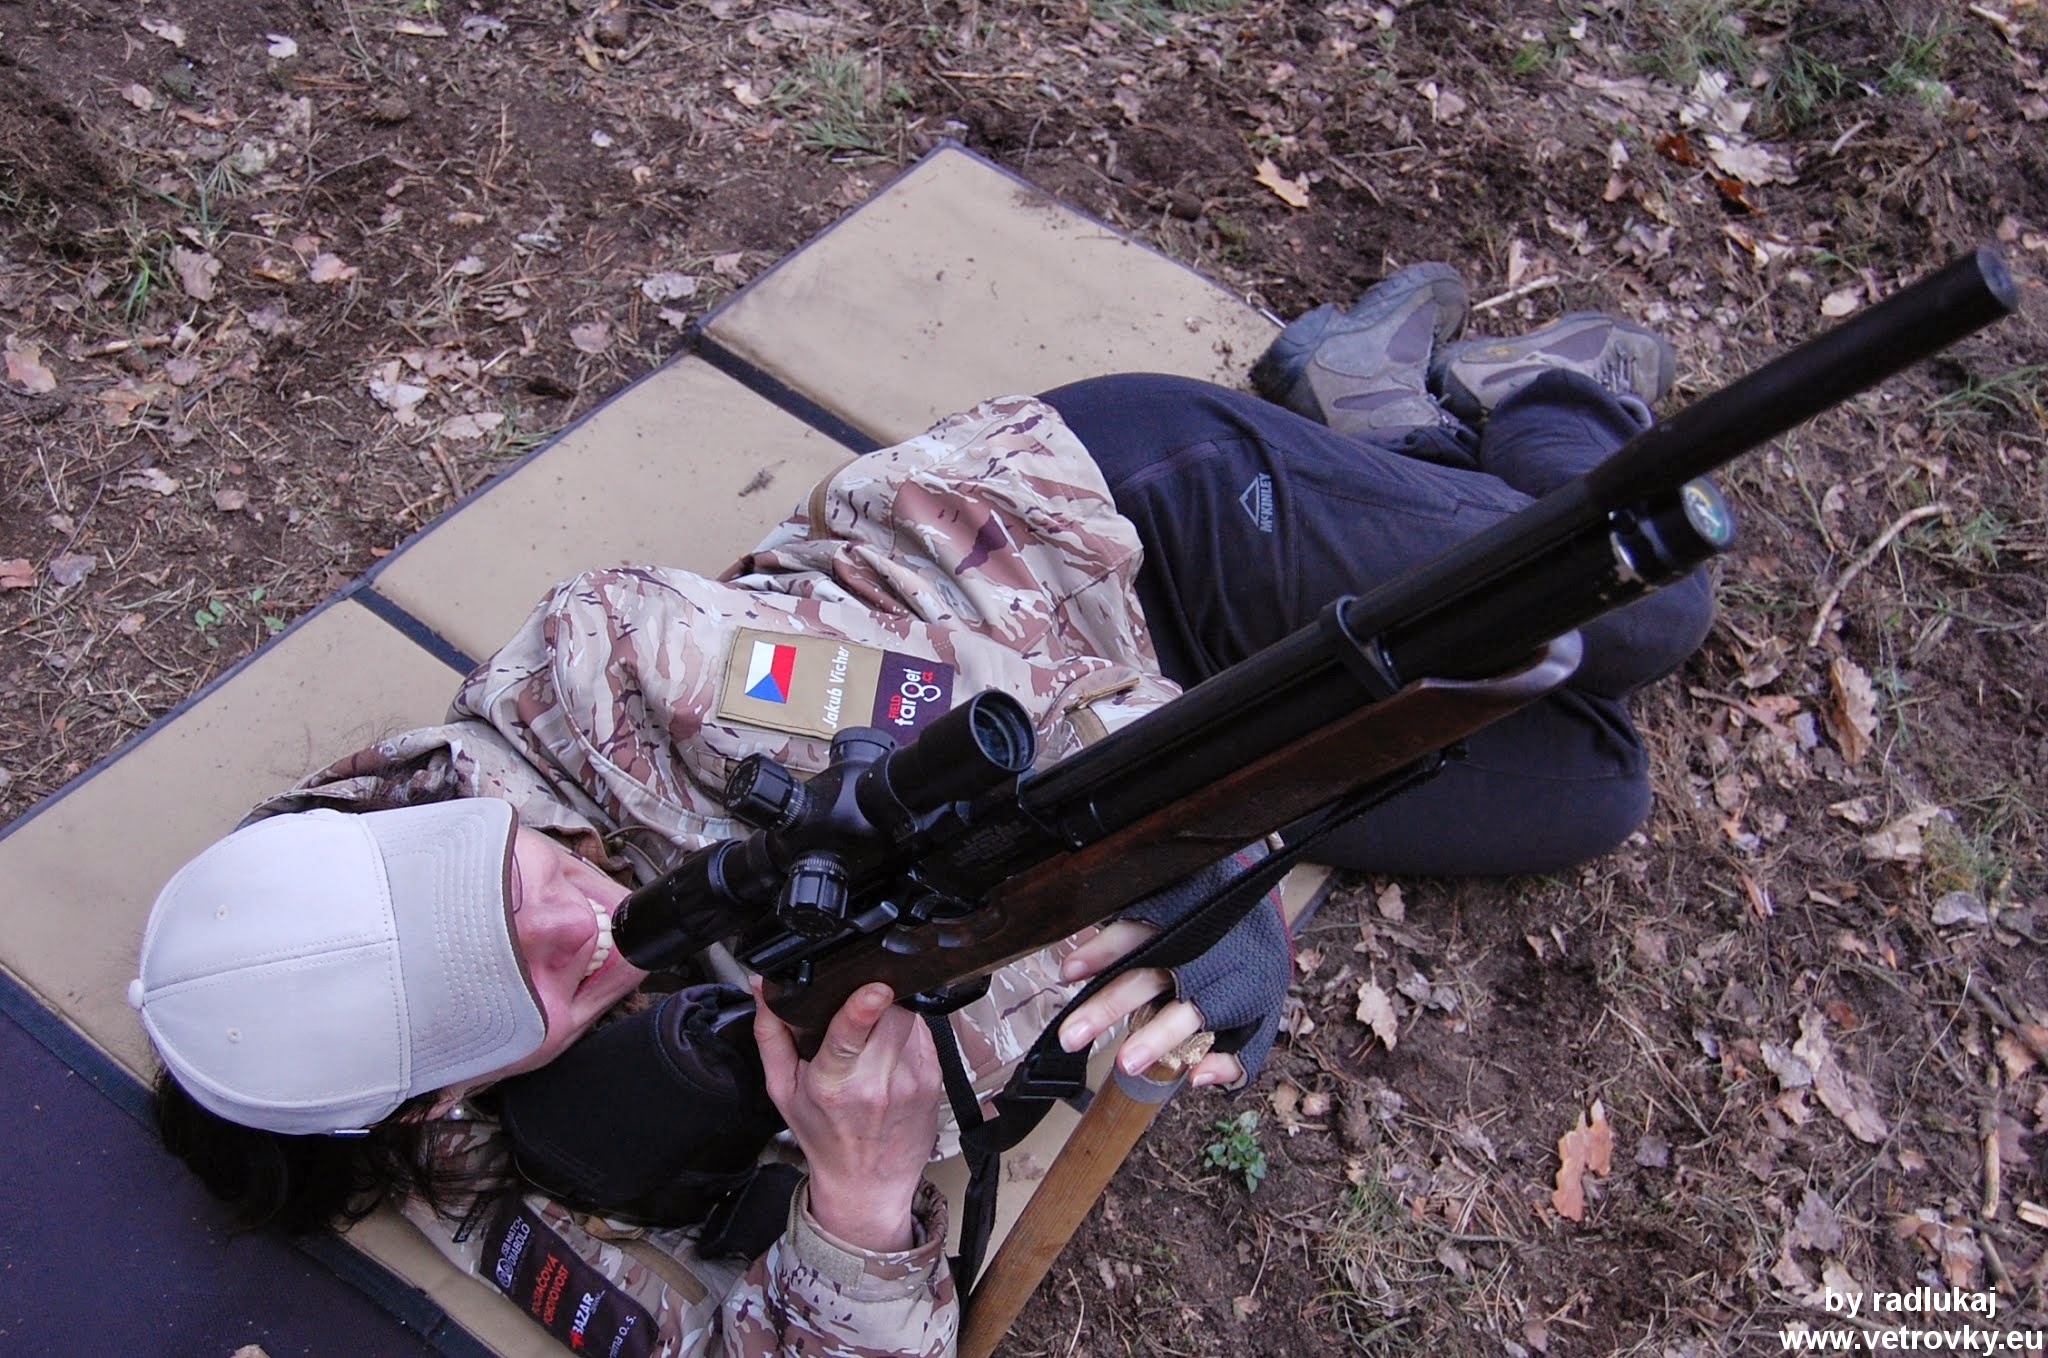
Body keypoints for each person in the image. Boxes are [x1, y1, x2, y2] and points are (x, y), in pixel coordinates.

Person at [129, 262, 1713, 1357]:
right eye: (508, 984)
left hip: (1107, 543)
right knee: (1595, 780)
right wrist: (858, 1200)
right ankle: (1393, 429)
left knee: (1638, 604)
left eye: (483, 872)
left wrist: (1206, 874)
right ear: (432, 1097)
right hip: (1151, 699)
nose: (563, 918)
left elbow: (991, 713)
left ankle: (1540, 386)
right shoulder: (481, 1160)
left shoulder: (618, 662)